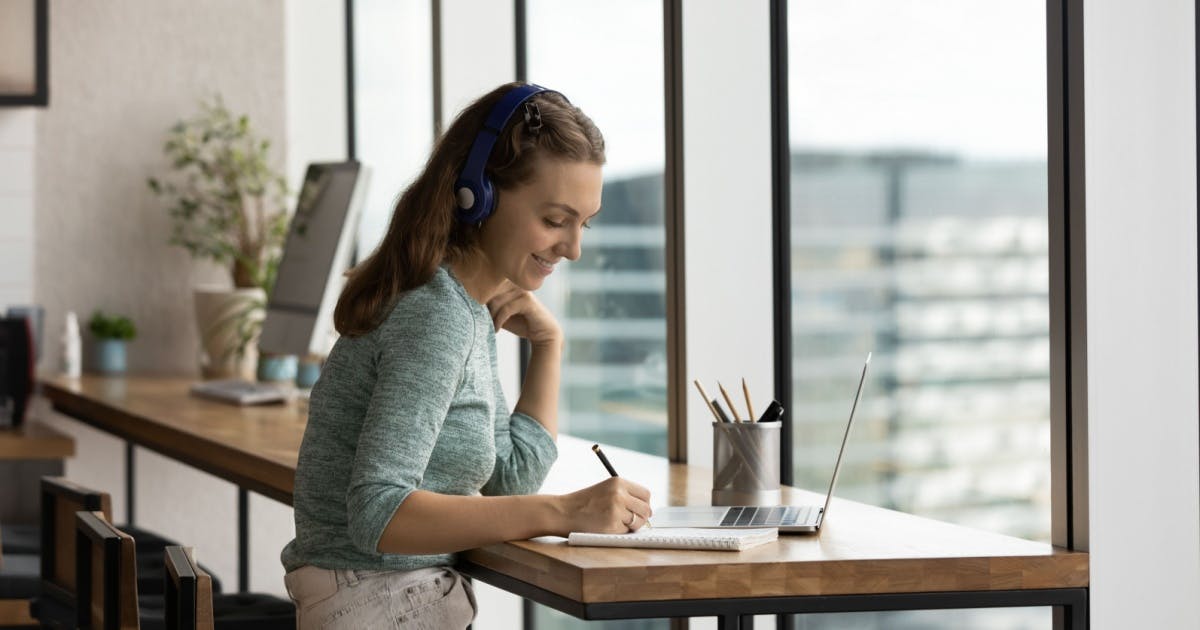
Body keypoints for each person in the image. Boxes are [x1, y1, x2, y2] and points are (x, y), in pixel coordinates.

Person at [280, 82, 653, 629]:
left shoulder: (468, 310)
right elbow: (378, 514)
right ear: (477, 193)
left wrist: (548, 348)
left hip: (387, 599)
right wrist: (565, 511)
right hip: (378, 603)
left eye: (584, 224)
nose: (573, 248)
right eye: (555, 220)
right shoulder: (436, 316)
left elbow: (510, 480)